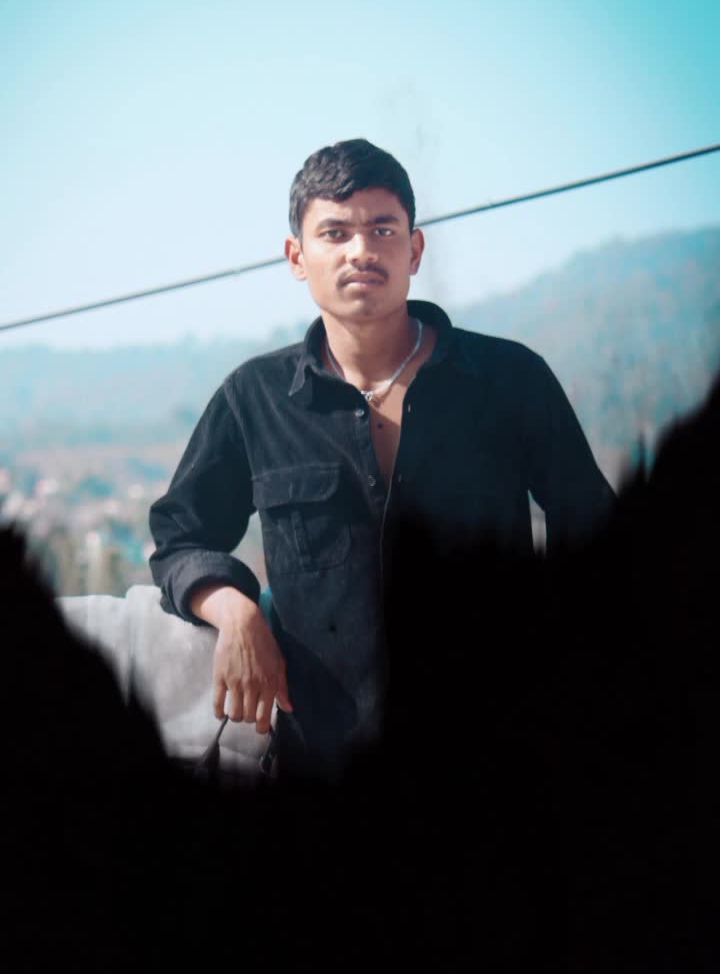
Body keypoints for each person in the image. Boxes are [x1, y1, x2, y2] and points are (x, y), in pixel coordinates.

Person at [148, 138, 615, 777]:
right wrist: (235, 609)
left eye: (382, 229)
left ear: (414, 250)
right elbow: (180, 539)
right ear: (297, 257)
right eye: (335, 233)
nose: (360, 250)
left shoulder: (510, 380)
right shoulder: (254, 400)